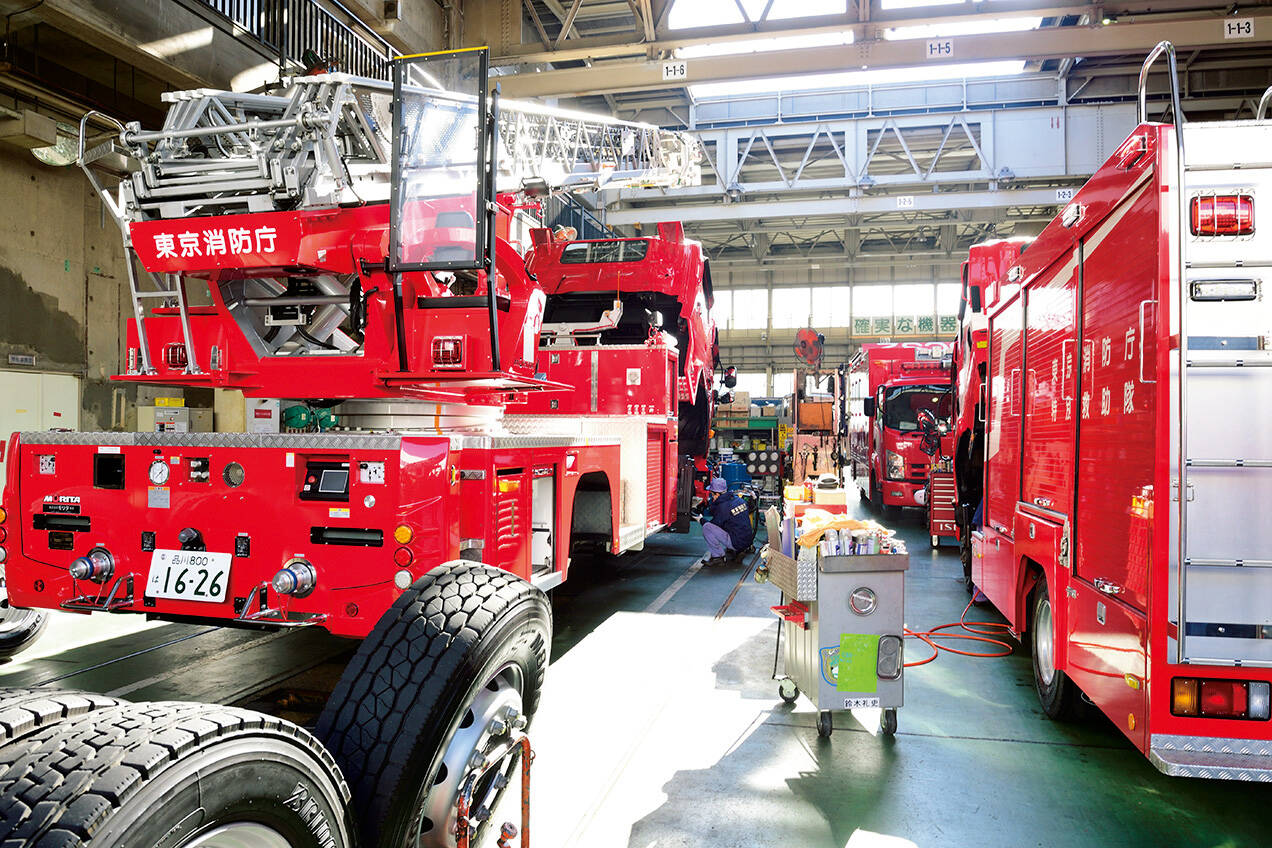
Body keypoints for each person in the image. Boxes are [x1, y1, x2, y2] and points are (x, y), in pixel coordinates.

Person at [699, 477, 755, 566]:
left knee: (707, 527)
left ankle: (718, 557)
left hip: (737, 542)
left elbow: (714, 524)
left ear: (717, 494)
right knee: (732, 523)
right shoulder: (739, 500)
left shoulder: (723, 507)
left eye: (712, 494)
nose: (711, 496)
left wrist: (700, 519)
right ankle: (739, 550)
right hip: (748, 540)